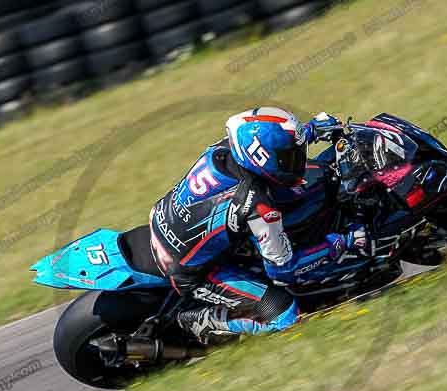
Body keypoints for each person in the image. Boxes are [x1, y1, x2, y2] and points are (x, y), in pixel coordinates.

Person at [148, 107, 371, 344]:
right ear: (263, 159)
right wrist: (341, 242)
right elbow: (284, 270)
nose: (298, 162)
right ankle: (203, 320)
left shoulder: (227, 147)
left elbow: (269, 144)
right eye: (289, 158)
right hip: (190, 271)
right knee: (285, 316)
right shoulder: (258, 206)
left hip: (165, 222)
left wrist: (311, 130)